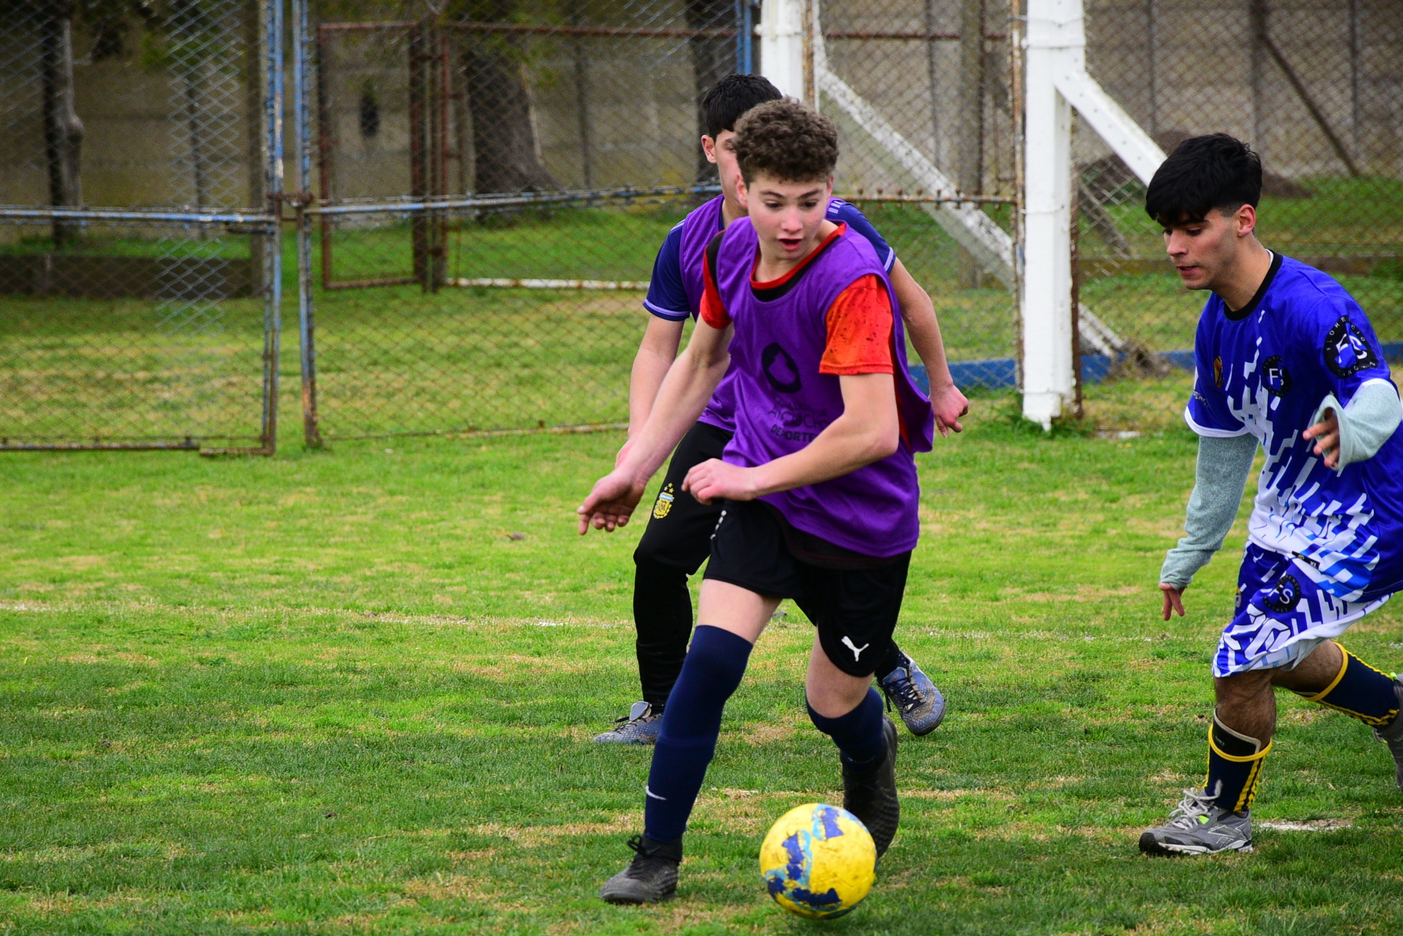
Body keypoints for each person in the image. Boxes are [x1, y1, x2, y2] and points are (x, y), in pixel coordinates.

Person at [578, 99, 934, 902]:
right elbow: (702, 361)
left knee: (831, 704)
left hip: (860, 522)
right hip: (769, 502)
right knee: (708, 666)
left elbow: (872, 430)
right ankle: (655, 856)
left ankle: (869, 751)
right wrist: (634, 467)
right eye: (774, 201)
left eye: (811, 201)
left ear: (830, 188)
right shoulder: (730, 249)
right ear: (742, 186)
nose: (792, 222)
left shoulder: (852, 281)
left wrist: (746, 478)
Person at [594, 73, 968, 745]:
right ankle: (661, 708)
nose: (750, 167)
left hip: (806, 432)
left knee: (801, 557)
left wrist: (939, 385)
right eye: (735, 149)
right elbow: (664, 350)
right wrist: (638, 446)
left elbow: (911, 300)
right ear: (712, 151)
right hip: (722, 423)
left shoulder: (834, 228)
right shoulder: (690, 240)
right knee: (659, 556)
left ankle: (882, 661)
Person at [1138, 133, 1403, 856]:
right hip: (1284, 519)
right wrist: (1190, 550)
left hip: (1362, 519)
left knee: (1241, 663)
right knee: (1276, 653)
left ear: (1243, 220)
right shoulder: (1214, 326)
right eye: (1167, 232)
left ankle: (1223, 818)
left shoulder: (1313, 305)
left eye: (1192, 228)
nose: (1175, 247)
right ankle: (1394, 709)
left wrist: (1350, 430)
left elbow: (1379, 395)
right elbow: (1222, 453)